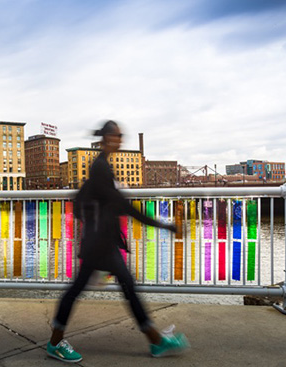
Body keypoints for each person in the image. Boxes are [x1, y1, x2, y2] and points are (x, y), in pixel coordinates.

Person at [46, 120, 189, 363]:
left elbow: (84, 201)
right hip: (99, 246)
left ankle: (155, 341)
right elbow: (123, 206)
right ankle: (55, 343)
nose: (121, 140)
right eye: (118, 136)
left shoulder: (101, 166)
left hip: (102, 243)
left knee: (119, 288)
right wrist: (165, 225)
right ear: (108, 138)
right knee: (88, 290)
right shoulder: (100, 168)